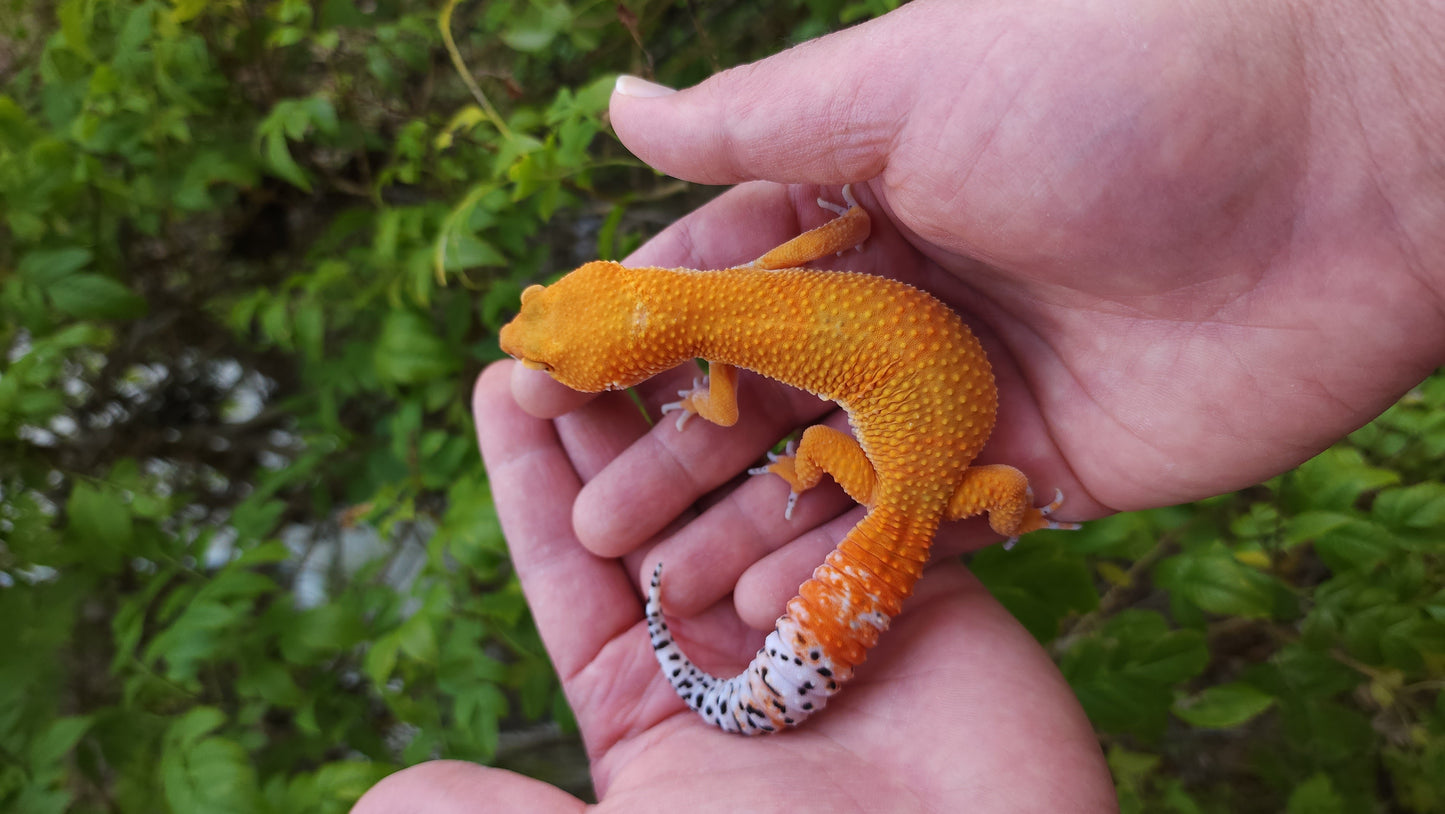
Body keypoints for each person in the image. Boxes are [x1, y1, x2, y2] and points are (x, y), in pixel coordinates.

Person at [354, 0, 1443, 809]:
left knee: (933, 493)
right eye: (546, 313)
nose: (525, 320)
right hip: (910, 428)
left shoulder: (719, 351)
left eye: (541, 310)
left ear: (631, 353)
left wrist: (942, 497)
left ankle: (930, 558)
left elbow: (723, 403)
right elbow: (823, 243)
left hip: (931, 476)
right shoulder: (728, 299)